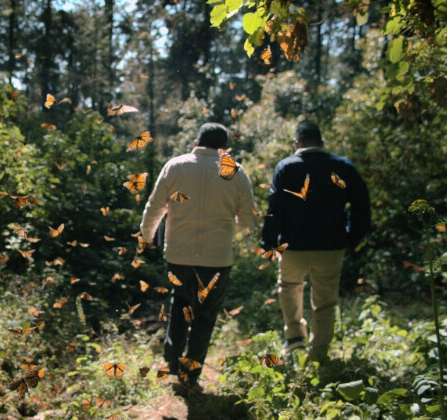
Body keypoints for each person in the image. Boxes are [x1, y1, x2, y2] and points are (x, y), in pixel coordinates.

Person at [140, 122, 255, 388]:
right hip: (217, 259)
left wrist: (147, 236)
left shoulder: (175, 166)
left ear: (195, 142)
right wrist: (226, 231)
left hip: (179, 256)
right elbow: (249, 220)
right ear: (223, 148)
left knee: (180, 305)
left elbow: (154, 206)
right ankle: (191, 372)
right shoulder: (236, 172)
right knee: (205, 315)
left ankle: (172, 359)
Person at [261, 121, 370, 360]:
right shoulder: (342, 166)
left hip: (292, 246)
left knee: (289, 288)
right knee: (325, 302)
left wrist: (268, 243)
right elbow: (361, 205)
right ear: (321, 142)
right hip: (331, 245)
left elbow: (274, 209)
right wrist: (352, 237)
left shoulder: (286, 167)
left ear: (296, 143)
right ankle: (319, 353)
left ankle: (294, 339)